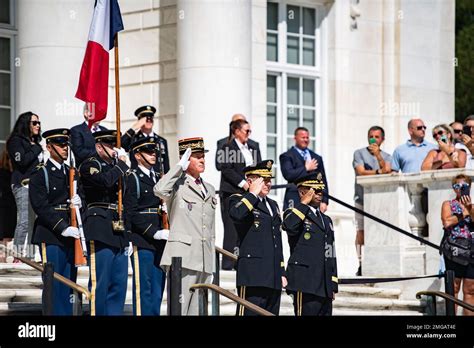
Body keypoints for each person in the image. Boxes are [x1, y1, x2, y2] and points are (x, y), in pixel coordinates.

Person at [154, 138, 216, 316]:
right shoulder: (177, 184)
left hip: (203, 259)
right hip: (182, 257)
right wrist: (179, 167)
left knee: (197, 312)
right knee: (179, 309)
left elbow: (210, 228)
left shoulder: (209, 188)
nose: (202, 160)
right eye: (197, 157)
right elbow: (159, 190)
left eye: (203, 156)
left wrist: (210, 259)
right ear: (186, 159)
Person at [29, 128, 84, 315]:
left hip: (72, 232)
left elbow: (81, 195)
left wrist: (80, 201)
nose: (65, 148)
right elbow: (40, 205)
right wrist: (62, 227)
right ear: (49, 147)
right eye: (60, 145)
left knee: (69, 283)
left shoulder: (72, 173)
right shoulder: (40, 173)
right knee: (54, 282)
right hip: (51, 233)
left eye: (66, 144)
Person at [79, 130, 130, 316]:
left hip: (119, 228)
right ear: (99, 147)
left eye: (115, 145)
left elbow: (127, 196)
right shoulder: (90, 165)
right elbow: (103, 182)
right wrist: (121, 166)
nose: (114, 149)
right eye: (109, 146)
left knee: (119, 282)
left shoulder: (118, 166)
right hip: (99, 226)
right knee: (101, 281)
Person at [228, 160, 286, 316]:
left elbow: (277, 241)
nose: (267, 184)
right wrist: (252, 194)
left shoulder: (273, 205)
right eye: (262, 180)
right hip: (253, 275)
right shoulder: (238, 199)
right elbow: (236, 214)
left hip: (272, 276)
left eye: (269, 180)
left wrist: (281, 271)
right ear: (250, 181)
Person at [282, 173, 338, 316]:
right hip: (305, 282)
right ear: (302, 192)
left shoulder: (327, 220)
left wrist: (332, 284)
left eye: (321, 191)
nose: (319, 194)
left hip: (324, 285)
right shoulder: (293, 212)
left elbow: (330, 252)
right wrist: (303, 204)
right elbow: (289, 226)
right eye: (314, 190)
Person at [124, 137, 168, 316]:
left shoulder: (159, 177)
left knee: (158, 287)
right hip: (142, 239)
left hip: (161, 238)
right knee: (144, 287)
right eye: (148, 151)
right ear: (137, 155)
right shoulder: (132, 177)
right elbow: (131, 212)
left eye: (154, 152)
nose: (153, 155)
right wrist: (154, 232)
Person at [219, 119, 261, 270]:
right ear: (236, 131)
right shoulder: (227, 147)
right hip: (232, 192)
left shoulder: (252, 148)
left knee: (245, 227)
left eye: (250, 131)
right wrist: (244, 183)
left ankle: (241, 262)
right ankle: (228, 263)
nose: (249, 134)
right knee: (231, 229)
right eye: (246, 131)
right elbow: (226, 169)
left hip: (249, 194)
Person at [352, 126, 392, 276]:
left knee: (380, 232)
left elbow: (387, 170)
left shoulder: (387, 156)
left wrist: (378, 157)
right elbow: (361, 172)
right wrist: (378, 172)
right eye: (371, 136)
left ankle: (377, 262)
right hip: (361, 199)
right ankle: (361, 263)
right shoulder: (359, 153)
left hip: (380, 201)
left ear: (382, 139)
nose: (373, 139)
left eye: (376, 136)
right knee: (361, 232)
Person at [7, 111, 43, 260]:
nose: (38, 125)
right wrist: (36, 149)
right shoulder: (16, 141)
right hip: (22, 184)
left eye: (39, 122)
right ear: (26, 124)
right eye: (34, 122)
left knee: (34, 221)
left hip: (35, 186)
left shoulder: (36, 143)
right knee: (23, 220)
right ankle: (17, 255)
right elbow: (21, 161)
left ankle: (29, 255)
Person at [440, 174, 474, 316]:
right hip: (453, 251)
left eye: (464, 186)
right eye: (457, 186)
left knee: (470, 290)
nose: (460, 189)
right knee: (453, 288)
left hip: (471, 252)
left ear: (469, 187)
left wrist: (469, 209)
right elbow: (447, 222)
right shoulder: (448, 204)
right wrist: (464, 214)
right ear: (453, 188)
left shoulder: (472, 207)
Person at [280, 127, 329, 212]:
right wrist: (306, 168)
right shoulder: (287, 156)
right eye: (303, 137)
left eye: (307, 137)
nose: (306, 140)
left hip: (315, 200)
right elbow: (288, 175)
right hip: (294, 198)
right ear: (295, 138)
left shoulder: (316, 157)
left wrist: (324, 201)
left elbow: (323, 180)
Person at [121, 105, 170, 175]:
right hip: (139, 178)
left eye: (151, 118)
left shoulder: (161, 140)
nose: (149, 120)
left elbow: (166, 163)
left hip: (158, 178)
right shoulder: (134, 139)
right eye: (146, 119)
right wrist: (134, 127)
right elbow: (120, 143)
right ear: (140, 120)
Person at [0, 150, 16, 262]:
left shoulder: (13, 174)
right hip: (4, 205)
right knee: (4, 232)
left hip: (11, 205)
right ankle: (2, 256)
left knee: (8, 233)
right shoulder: (3, 173)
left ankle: (4, 255)